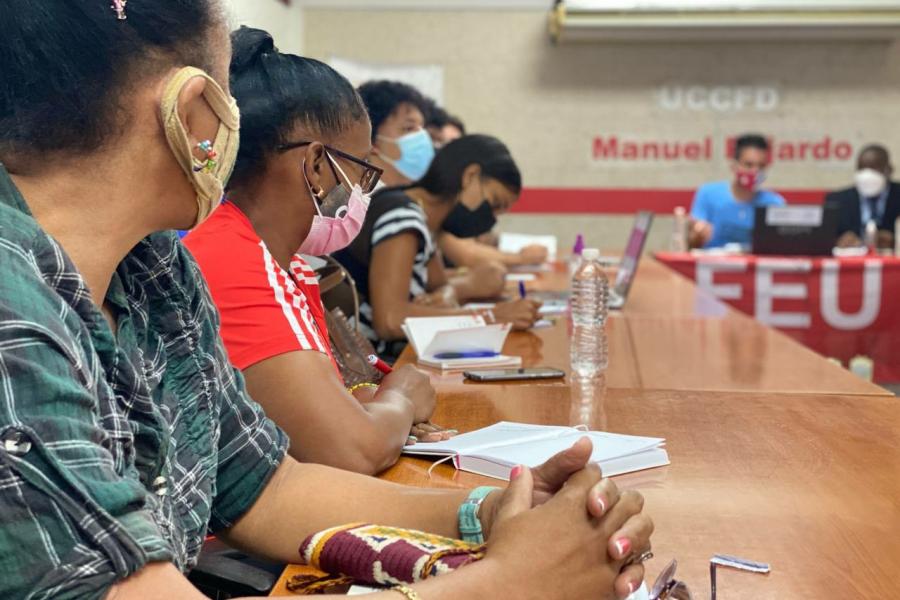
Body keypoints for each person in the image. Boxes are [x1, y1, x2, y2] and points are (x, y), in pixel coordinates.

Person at [0, 3, 652, 598]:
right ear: (196, 112)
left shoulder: (156, 274)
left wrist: (496, 512)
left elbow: (269, 488)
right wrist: (518, 583)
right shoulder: (12, 312)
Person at [185, 28, 449, 475]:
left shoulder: (286, 266)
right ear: (315, 165)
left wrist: (375, 410)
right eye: (362, 170)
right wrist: (400, 400)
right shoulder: (232, 257)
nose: (365, 191)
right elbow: (352, 451)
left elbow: (334, 415)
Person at [335, 135, 543, 357]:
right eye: (494, 204)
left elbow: (438, 286)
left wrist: (449, 292)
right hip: (370, 363)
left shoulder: (421, 217)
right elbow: (389, 320)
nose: (491, 219)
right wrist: (492, 317)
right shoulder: (403, 218)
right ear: (470, 176)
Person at [689, 134, 786, 250]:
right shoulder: (708, 194)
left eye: (761, 166)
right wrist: (698, 235)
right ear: (734, 166)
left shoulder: (775, 203)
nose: (755, 171)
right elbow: (691, 243)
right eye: (749, 165)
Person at [359, 79, 436, 187]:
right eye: (409, 128)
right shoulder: (359, 201)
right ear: (372, 140)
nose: (422, 137)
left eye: (422, 127)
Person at [826, 144, 900, 249]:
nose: (867, 175)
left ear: (889, 170)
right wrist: (838, 241)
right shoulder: (837, 200)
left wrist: (895, 241)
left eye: (875, 169)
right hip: (852, 262)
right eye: (862, 168)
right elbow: (823, 240)